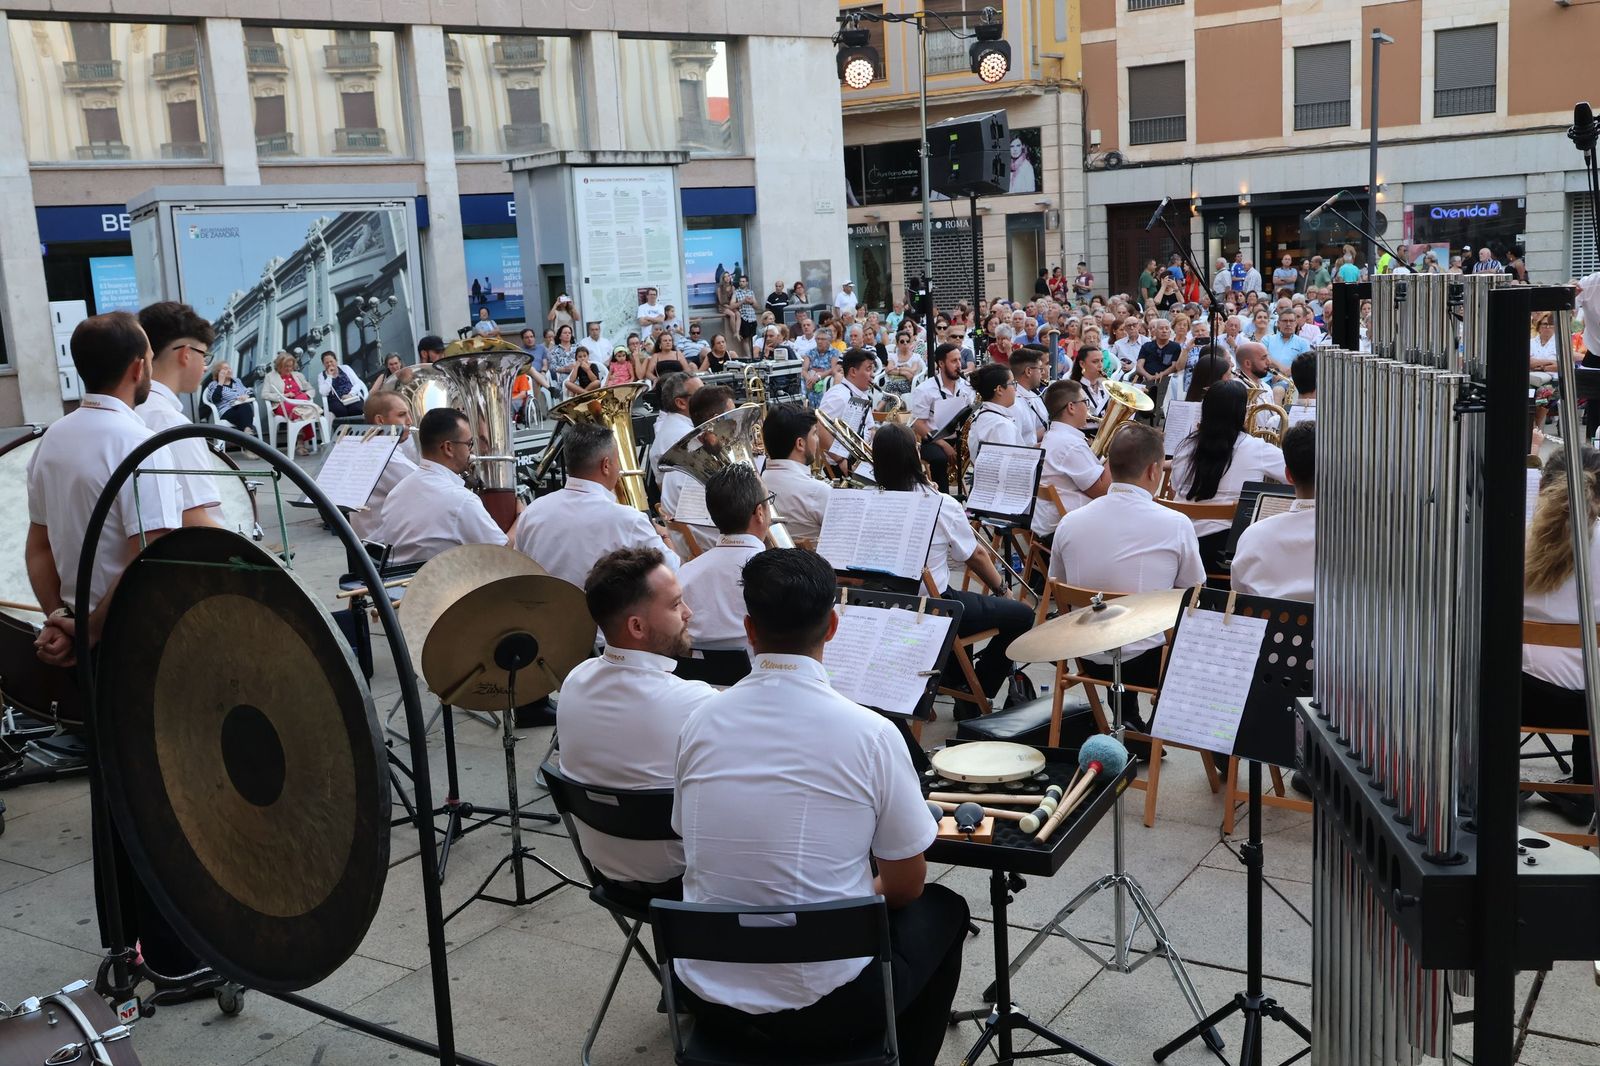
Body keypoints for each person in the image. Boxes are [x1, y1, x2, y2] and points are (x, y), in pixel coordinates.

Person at [671, 548, 968, 1066]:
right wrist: (844, 908)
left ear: (748, 629)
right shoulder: (873, 734)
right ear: (833, 625)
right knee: (945, 910)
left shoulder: (698, 722)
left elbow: (690, 840)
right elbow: (905, 887)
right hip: (825, 1005)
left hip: (705, 992)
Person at [24, 312, 200, 982]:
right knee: (163, 798)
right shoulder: (140, 439)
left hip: (91, 642)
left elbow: (37, 548)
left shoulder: (55, 438)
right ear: (139, 368)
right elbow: (150, 556)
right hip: (134, 642)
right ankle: (176, 956)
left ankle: (125, 945)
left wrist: (62, 619)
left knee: (114, 797)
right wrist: (91, 625)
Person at [558, 546, 715, 886]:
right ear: (637, 626)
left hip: (606, 874)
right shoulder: (693, 701)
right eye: (675, 604)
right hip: (683, 882)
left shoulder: (575, 680)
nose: (688, 612)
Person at [1049, 423, 1203, 740]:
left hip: (1085, 656)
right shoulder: (1175, 524)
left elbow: (1059, 585)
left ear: (1107, 467)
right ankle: (1205, 744)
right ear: (1153, 471)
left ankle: (1127, 720)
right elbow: (1195, 594)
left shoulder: (1069, 522)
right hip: (1147, 664)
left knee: (1118, 613)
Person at [872, 423, 1033, 713]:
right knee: (1022, 615)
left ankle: (960, 684)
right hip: (932, 609)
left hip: (881, 607)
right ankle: (977, 693)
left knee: (962, 602)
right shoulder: (939, 503)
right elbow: (977, 556)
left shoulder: (869, 502)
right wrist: (1002, 589)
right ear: (915, 454)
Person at [1523, 447, 1600, 822]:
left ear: (1541, 490)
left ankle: (1492, 778)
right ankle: (1586, 788)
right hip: (1594, 710)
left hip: (1516, 701)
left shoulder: (1512, 545)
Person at [514, 422, 680, 589]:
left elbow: (520, 571)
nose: (619, 468)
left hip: (547, 612)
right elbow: (672, 570)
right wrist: (665, 536)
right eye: (617, 461)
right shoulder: (629, 520)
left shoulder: (532, 512)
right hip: (604, 614)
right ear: (606, 465)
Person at [1169, 380, 1286, 571]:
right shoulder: (1256, 448)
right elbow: (1294, 474)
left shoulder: (1184, 447)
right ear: (1241, 413)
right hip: (1228, 552)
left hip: (1182, 544)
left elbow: (1175, 487)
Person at [375, 408, 505, 566]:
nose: (470, 451)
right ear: (448, 448)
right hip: (446, 587)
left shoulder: (395, 493)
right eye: (469, 444)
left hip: (399, 584)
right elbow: (504, 554)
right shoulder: (461, 500)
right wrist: (521, 516)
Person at [136, 301, 221, 527]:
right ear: (186, 354)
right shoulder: (170, 421)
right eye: (204, 356)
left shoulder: (134, 408)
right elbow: (195, 520)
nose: (205, 367)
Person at [677, 464, 771, 650]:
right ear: (759, 512)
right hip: (761, 675)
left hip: (696, 677)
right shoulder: (776, 575)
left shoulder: (684, 574)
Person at [1230, 421, 1315, 601]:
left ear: (1288, 475)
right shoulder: (1361, 539)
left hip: (1269, 627)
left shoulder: (1253, 536)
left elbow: (1238, 598)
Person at [660, 385, 737, 556]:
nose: (735, 423)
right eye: (732, 416)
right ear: (717, 420)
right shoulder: (700, 467)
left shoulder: (679, 461)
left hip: (693, 554)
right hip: (717, 553)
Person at [1032, 379, 1110, 541]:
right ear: (1071, 407)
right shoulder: (1070, 444)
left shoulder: (1054, 436)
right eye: (1085, 402)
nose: (1088, 408)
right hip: (1069, 531)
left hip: (1050, 525)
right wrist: (1117, 449)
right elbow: (1103, 491)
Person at [351, 391, 419, 542]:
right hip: (382, 546)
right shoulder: (383, 456)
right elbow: (430, 489)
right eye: (402, 415)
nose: (410, 421)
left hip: (368, 540)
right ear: (380, 421)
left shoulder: (368, 445)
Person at [909, 342, 975, 491]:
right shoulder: (925, 390)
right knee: (940, 459)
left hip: (959, 438)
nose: (959, 365)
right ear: (941, 364)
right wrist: (943, 444)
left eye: (959, 360)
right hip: (932, 440)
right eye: (953, 361)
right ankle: (943, 500)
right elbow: (919, 424)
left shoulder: (966, 387)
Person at [761, 406, 833, 542]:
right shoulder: (819, 492)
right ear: (800, 444)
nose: (817, 440)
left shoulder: (756, 485)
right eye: (814, 434)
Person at [816, 348, 878, 472]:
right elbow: (820, 429)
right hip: (842, 466)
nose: (873, 374)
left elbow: (871, 429)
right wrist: (841, 461)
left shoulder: (861, 394)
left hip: (862, 460)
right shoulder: (838, 395)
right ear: (853, 372)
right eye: (868, 369)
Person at [261, 352, 324, 455]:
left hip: (300, 403)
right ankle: (301, 443)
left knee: (299, 409)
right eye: (286, 366)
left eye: (291, 366)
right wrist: (283, 396)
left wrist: (305, 396)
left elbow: (311, 390)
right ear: (279, 365)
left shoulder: (298, 375)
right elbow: (264, 394)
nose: (289, 369)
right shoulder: (270, 376)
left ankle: (300, 442)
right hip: (282, 404)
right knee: (303, 410)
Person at [648, 372, 702, 481]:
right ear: (681, 403)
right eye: (701, 393)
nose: (708, 397)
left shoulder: (675, 426)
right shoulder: (684, 435)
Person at [967, 363, 1025, 459]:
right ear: (999, 390)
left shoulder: (983, 416)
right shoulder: (1002, 426)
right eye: (1013, 383)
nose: (1015, 389)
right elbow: (1008, 466)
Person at [1135, 318, 1182, 410]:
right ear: (1155, 331)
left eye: (1166, 328)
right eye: (1161, 328)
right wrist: (1148, 376)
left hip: (1166, 379)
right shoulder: (1146, 346)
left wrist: (1162, 375)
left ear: (1170, 331)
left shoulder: (1175, 347)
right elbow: (1139, 366)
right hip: (1147, 379)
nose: (1164, 331)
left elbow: (1174, 366)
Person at [1007, 348, 1049, 444]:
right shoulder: (1014, 402)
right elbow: (1018, 442)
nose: (1042, 373)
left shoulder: (1033, 394)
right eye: (1040, 369)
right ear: (1028, 371)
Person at [1530, 311, 1562, 428]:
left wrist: (1540, 366)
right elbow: (1529, 363)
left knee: (1543, 394)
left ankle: (1536, 426)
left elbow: (1560, 365)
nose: (1547, 327)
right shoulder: (1530, 343)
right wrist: (1549, 364)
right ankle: (1532, 426)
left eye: (1550, 324)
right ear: (1539, 327)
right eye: (1544, 324)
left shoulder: (1560, 344)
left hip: (1554, 382)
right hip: (1532, 380)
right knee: (1526, 393)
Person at [206, 360, 257, 431]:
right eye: (225, 369)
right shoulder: (214, 384)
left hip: (243, 408)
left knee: (245, 406)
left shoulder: (237, 381)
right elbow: (215, 399)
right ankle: (247, 435)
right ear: (218, 373)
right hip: (227, 411)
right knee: (244, 409)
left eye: (229, 368)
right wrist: (220, 383)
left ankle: (246, 432)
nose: (229, 370)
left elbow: (250, 393)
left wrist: (246, 396)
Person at [317, 350, 369, 418]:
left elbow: (358, 383)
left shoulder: (345, 368)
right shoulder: (321, 376)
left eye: (331, 361)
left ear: (336, 360)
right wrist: (329, 376)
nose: (329, 364)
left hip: (351, 397)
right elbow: (323, 392)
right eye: (326, 363)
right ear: (323, 364)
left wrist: (350, 394)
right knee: (340, 411)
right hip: (335, 401)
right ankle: (345, 428)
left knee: (356, 409)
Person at [732, 274, 759, 358]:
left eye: (743, 281)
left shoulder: (751, 292)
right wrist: (742, 301)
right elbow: (731, 305)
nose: (741, 283)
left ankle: (753, 355)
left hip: (752, 318)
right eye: (740, 281)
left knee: (753, 339)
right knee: (745, 339)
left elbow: (757, 307)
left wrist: (751, 302)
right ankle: (749, 356)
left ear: (747, 283)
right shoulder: (736, 292)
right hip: (744, 317)